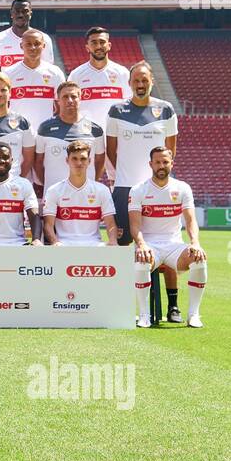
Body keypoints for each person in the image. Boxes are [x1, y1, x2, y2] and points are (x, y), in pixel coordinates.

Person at [106, 61, 180, 314]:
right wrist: (124, 176)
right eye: (136, 80)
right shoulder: (116, 110)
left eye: (144, 80)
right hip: (125, 188)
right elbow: (111, 150)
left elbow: (170, 149)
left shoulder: (166, 110)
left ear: (152, 82)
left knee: (168, 244)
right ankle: (117, 300)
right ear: (129, 83)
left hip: (157, 191)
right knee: (121, 243)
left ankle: (172, 306)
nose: (140, 84)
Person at [129, 147, 206, 328]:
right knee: (141, 261)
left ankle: (193, 314)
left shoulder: (182, 188)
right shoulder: (138, 190)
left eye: (165, 162)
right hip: (149, 245)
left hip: (174, 246)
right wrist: (141, 244)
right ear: (150, 164)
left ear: (172, 163)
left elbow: (190, 220)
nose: (161, 166)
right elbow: (134, 225)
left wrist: (195, 242)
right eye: (157, 162)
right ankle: (144, 314)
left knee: (199, 259)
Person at [42, 140, 117, 246]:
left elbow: (110, 223)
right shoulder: (54, 190)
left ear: (89, 161)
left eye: (83, 159)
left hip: (95, 245)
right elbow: (48, 225)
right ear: (67, 160)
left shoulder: (102, 190)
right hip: (64, 245)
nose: (79, 163)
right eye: (74, 159)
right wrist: (55, 242)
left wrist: (113, 241)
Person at [35, 81, 105, 193]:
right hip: (54, 196)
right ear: (58, 100)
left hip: (86, 195)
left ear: (80, 99)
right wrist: (50, 185)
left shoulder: (95, 129)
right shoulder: (45, 128)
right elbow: (38, 162)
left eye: (73, 96)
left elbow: (100, 161)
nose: (70, 100)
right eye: (65, 97)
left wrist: (91, 180)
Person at [68, 26, 130, 130]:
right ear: (87, 47)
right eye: (94, 42)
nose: (99, 46)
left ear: (109, 45)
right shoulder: (76, 75)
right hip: (86, 133)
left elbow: (129, 105)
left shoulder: (122, 73)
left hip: (115, 132)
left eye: (102, 42)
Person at [5, 29, 65, 132]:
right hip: (17, 131)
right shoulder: (9, 73)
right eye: (28, 44)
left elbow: (61, 106)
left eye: (37, 44)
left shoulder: (55, 73)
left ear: (44, 46)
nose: (33, 48)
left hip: (46, 132)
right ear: (21, 46)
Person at [0, 0, 55, 70]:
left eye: (25, 11)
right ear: (11, 13)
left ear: (30, 14)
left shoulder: (43, 39)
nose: (20, 15)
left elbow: (48, 69)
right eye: (17, 11)